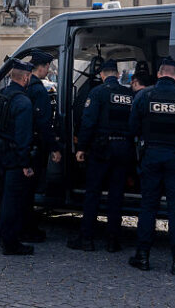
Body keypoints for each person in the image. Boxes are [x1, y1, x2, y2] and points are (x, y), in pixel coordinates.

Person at [128, 57, 175, 275]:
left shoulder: (144, 95)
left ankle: (142, 256)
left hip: (151, 156)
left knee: (148, 206)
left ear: (159, 74)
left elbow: (132, 128)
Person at [67, 59, 134, 252]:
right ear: (118, 74)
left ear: (102, 75)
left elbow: (88, 122)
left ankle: (86, 238)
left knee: (93, 193)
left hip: (102, 149)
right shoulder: (128, 94)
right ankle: (113, 241)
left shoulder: (98, 93)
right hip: (123, 148)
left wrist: (81, 148)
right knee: (116, 194)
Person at [0, 59, 35, 255]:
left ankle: (5, 236)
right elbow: (24, 137)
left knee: (2, 196)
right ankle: (10, 242)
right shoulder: (23, 102)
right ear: (25, 78)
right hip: (14, 157)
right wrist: (26, 163)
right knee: (12, 200)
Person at [22, 50, 62, 243]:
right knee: (30, 191)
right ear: (43, 67)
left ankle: (24, 226)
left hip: (24, 144)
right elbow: (45, 124)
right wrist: (54, 148)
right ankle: (29, 229)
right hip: (37, 146)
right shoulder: (39, 91)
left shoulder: (26, 86)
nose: (49, 70)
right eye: (48, 66)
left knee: (24, 191)